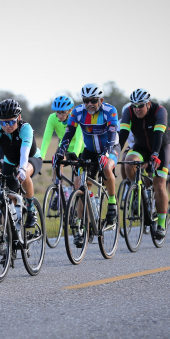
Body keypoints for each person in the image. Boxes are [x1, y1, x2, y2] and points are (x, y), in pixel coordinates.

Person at [58, 83, 120, 245]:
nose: (89, 104)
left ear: (101, 100)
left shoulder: (110, 110)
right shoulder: (78, 112)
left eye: (93, 100)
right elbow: (68, 134)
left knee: (106, 167)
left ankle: (112, 204)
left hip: (111, 147)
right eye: (86, 101)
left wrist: (106, 153)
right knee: (80, 186)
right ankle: (81, 226)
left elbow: (113, 135)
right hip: (90, 151)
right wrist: (60, 151)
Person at [0, 99, 42, 227]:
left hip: (31, 159)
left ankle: (31, 208)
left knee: (25, 174)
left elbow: (25, 152)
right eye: (3, 122)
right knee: (8, 201)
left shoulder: (25, 129)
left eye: (11, 122)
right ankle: (9, 237)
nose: (7, 126)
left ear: (18, 117)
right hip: (10, 162)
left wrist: (22, 169)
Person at [119, 88, 170, 239]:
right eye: (134, 105)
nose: (136, 109)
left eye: (140, 106)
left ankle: (161, 224)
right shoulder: (128, 111)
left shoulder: (160, 111)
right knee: (128, 162)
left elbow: (158, 135)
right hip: (141, 147)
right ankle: (138, 190)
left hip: (161, 146)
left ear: (148, 104)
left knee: (159, 184)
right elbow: (122, 136)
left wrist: (154, 155)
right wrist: (113, 153)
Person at [40, 95, 83, 209]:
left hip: (79, 149)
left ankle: (75, 197)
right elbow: (46, 137)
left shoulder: (76, 118)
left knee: (78, 181)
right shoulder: (52, 118)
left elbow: (79, 138)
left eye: (63, 112)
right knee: (56, 161)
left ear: (70, 110)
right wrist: (42, 156)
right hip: (64, 147)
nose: (60, 115)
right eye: (58, 112)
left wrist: (76, 155)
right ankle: (60, 190)